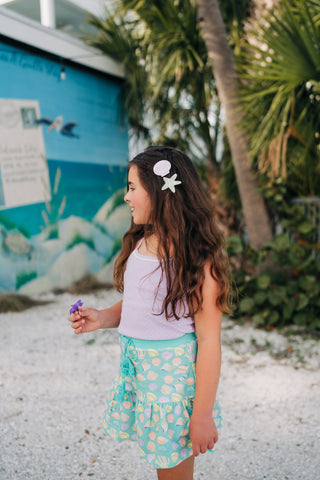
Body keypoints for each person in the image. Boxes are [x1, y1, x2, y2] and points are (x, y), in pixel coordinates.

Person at [69, 146, 231, 480]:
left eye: (132, 187)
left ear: (160, 192)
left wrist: (201, 415)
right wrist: (102, 318)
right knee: (164, 467)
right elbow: (140, 305)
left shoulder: (199, 260)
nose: (126, 197)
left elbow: (209, 341)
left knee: (172, 474)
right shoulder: (143, 241)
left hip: (172, 389)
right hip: (144, 377)